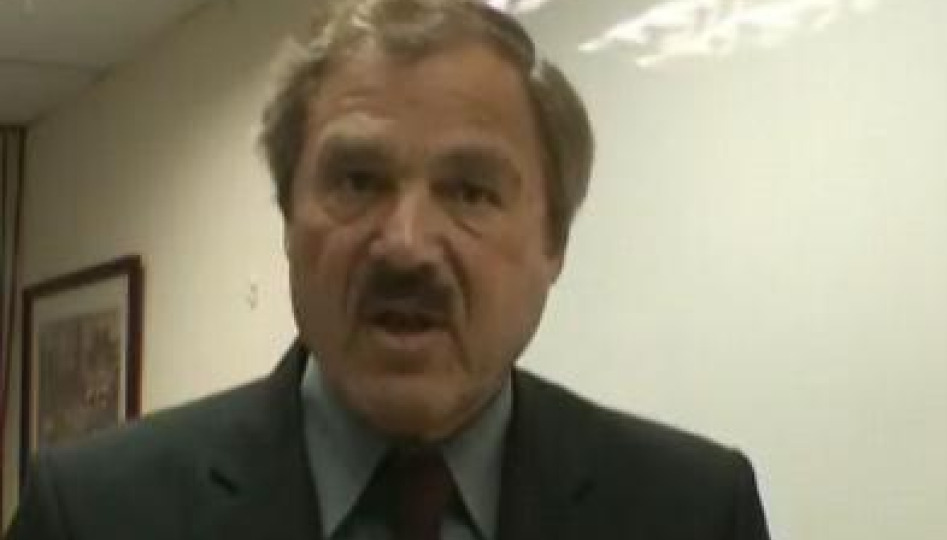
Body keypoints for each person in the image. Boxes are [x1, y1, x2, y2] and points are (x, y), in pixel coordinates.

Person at [7, 1, 771, 539]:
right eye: (358, 181)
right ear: (288, 219)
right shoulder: (92, 516)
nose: (405, 245)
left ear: (554, 243)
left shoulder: (696, 513)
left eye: (470, 191)